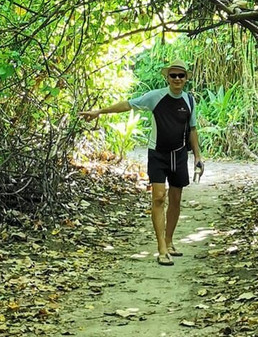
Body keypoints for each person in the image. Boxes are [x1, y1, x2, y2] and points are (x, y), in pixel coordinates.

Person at [82, 59, 204, 265]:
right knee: (158, 197)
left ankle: (169, 240)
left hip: (179, 155)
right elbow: (128, 104)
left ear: (186, 79)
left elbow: (192, 130)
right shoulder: (155, 97)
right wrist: (99, 112)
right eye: (173, 75)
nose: (176, 79)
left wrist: (198, 157)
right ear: (167, 78)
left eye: (180, 76)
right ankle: (161, 248)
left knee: (175, 199)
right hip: (157, 153)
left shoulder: (189, 101)